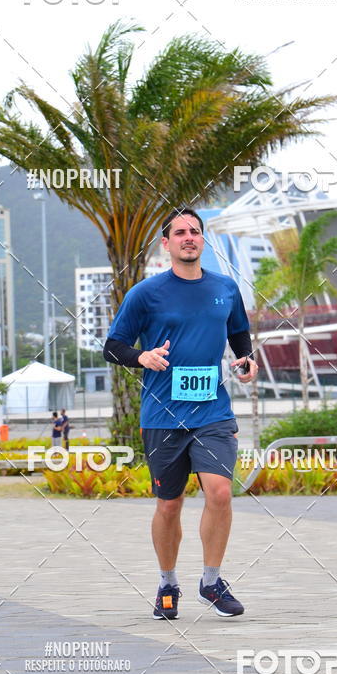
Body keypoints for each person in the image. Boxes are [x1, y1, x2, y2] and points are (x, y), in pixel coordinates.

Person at [103, 207, 258, 620]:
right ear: (166, 244)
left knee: (220, 492)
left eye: (195, 232)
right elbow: (113, 346)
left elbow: (239, 333)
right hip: (162, 416)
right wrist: (143, 357)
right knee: (169, 505)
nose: (189, 237)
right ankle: (167, 583)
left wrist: (246, 362)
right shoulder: (146, 293)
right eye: (181, 232)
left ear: (203, 241)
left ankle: (211, 580)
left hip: (213, 411)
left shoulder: (225, 287)